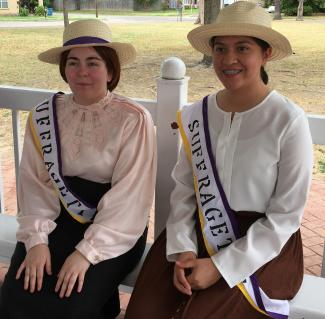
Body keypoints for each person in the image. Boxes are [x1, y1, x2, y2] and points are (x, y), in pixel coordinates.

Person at [125, 2, 313, 318]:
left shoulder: (287, 120)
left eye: (243, 48)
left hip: (265, 246)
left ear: (265, 54)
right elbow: (185, 191)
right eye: (220, 49)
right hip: (195, 232)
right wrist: (184, 249)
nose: (229, 59)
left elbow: (285, 216)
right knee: (146, 311)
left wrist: (219, 266)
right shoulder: (197, 114)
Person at [0, 19, 156, 319]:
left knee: (69, 305)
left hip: (116, 229)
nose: (82, 72)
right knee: (15, 299)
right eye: (73, 62)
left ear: (111, 70)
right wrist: (36, 241)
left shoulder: (133, 120)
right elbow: (35, 184)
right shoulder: (44, 115)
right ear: (64, 69)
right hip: (54, 220)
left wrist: (86, 254)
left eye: (93, 62)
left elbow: (130, 199)